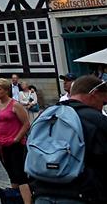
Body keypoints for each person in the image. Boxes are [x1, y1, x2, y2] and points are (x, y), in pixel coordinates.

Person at [28, 75, 107, 204]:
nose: (102, 107)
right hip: (82, 194)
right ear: (94, 94)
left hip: (42, 193)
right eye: (103, 102)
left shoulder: (46, 115)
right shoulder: (97, 120)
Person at [0, 79, 31, 204]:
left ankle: (27, 201)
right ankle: (15, 198)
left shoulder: (15, 105)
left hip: (15, 144)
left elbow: (26, 123)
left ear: (7, 90)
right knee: (11, 173)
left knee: (20, 174)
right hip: (1, 143)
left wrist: (17, 139)